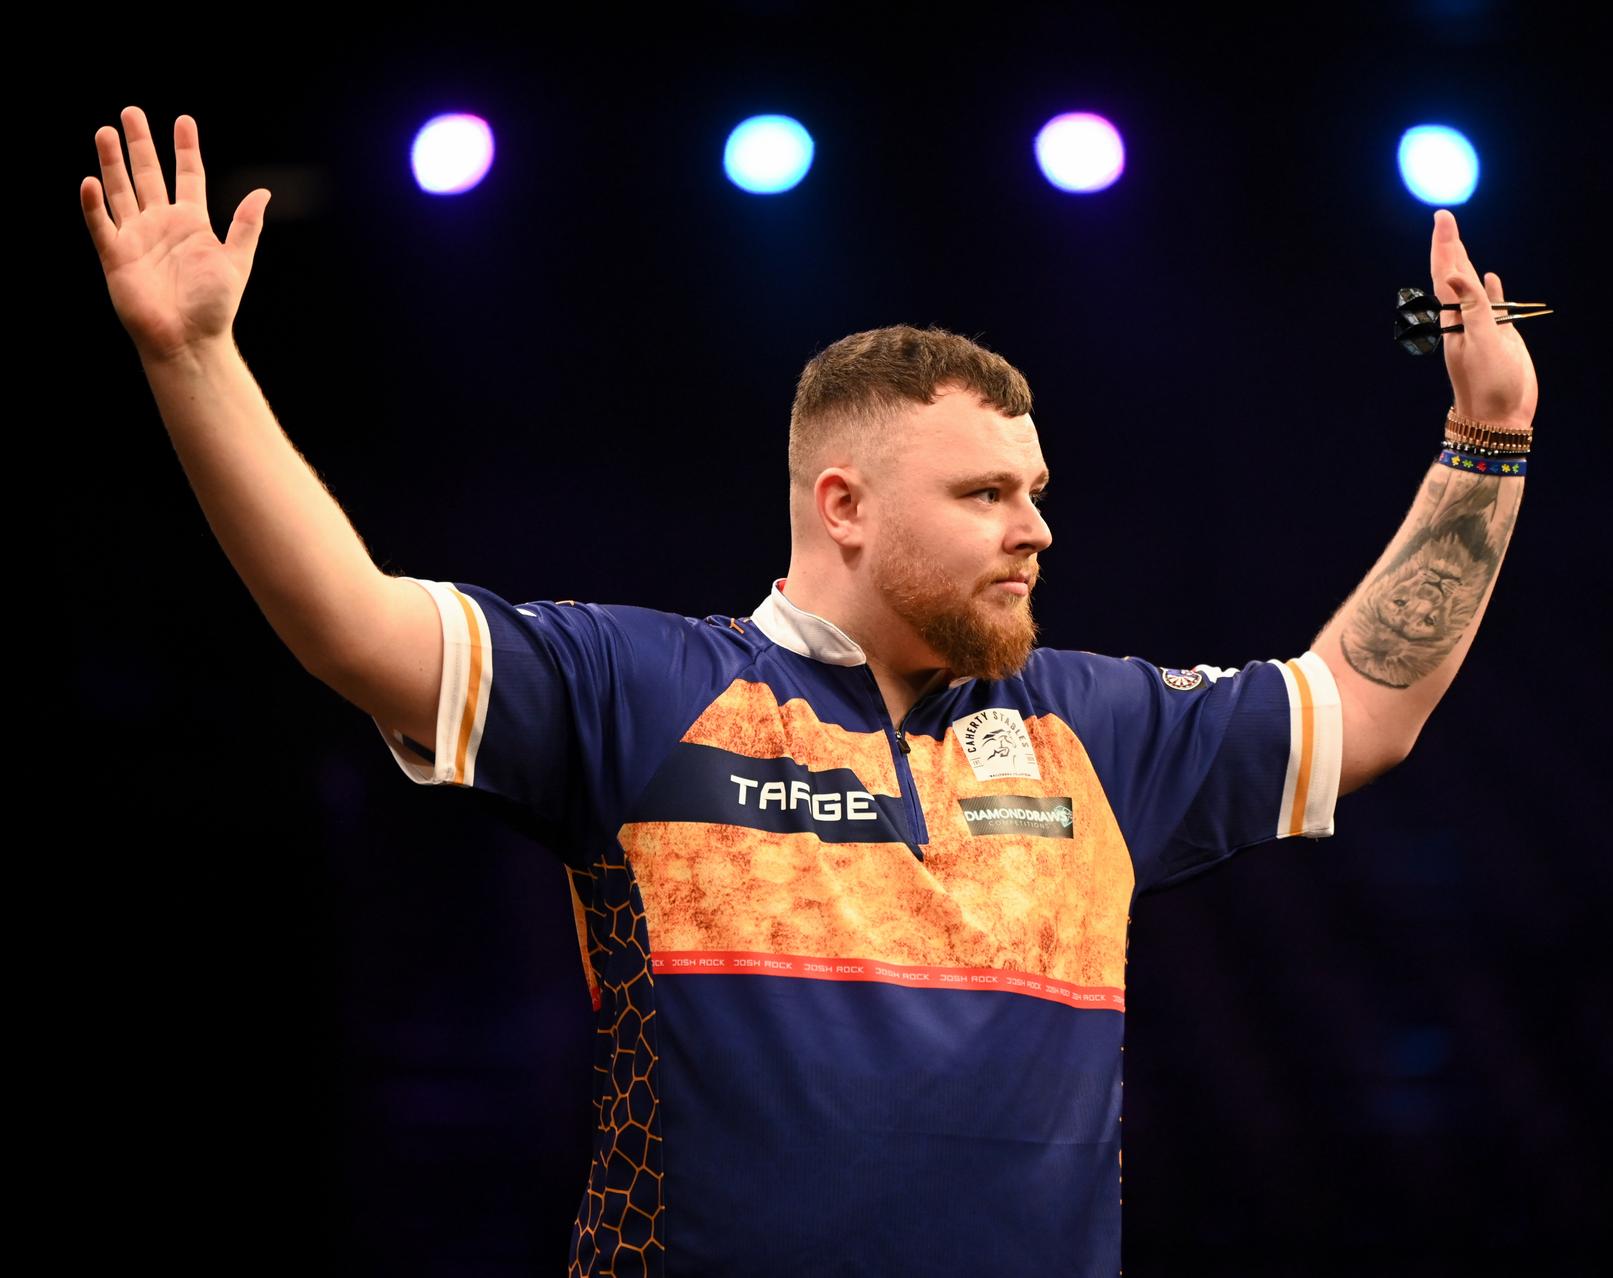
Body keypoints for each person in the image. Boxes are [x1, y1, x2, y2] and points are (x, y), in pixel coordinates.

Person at [82, 105, 1535, 1276]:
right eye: (986, 493)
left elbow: (1367, 705)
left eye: (1036, 490)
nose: (1037, 526)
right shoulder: (636, 689)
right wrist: (194, 358)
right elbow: (346, 621)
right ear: (842, 504)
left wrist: (1489, 438)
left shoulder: (1097, 731)